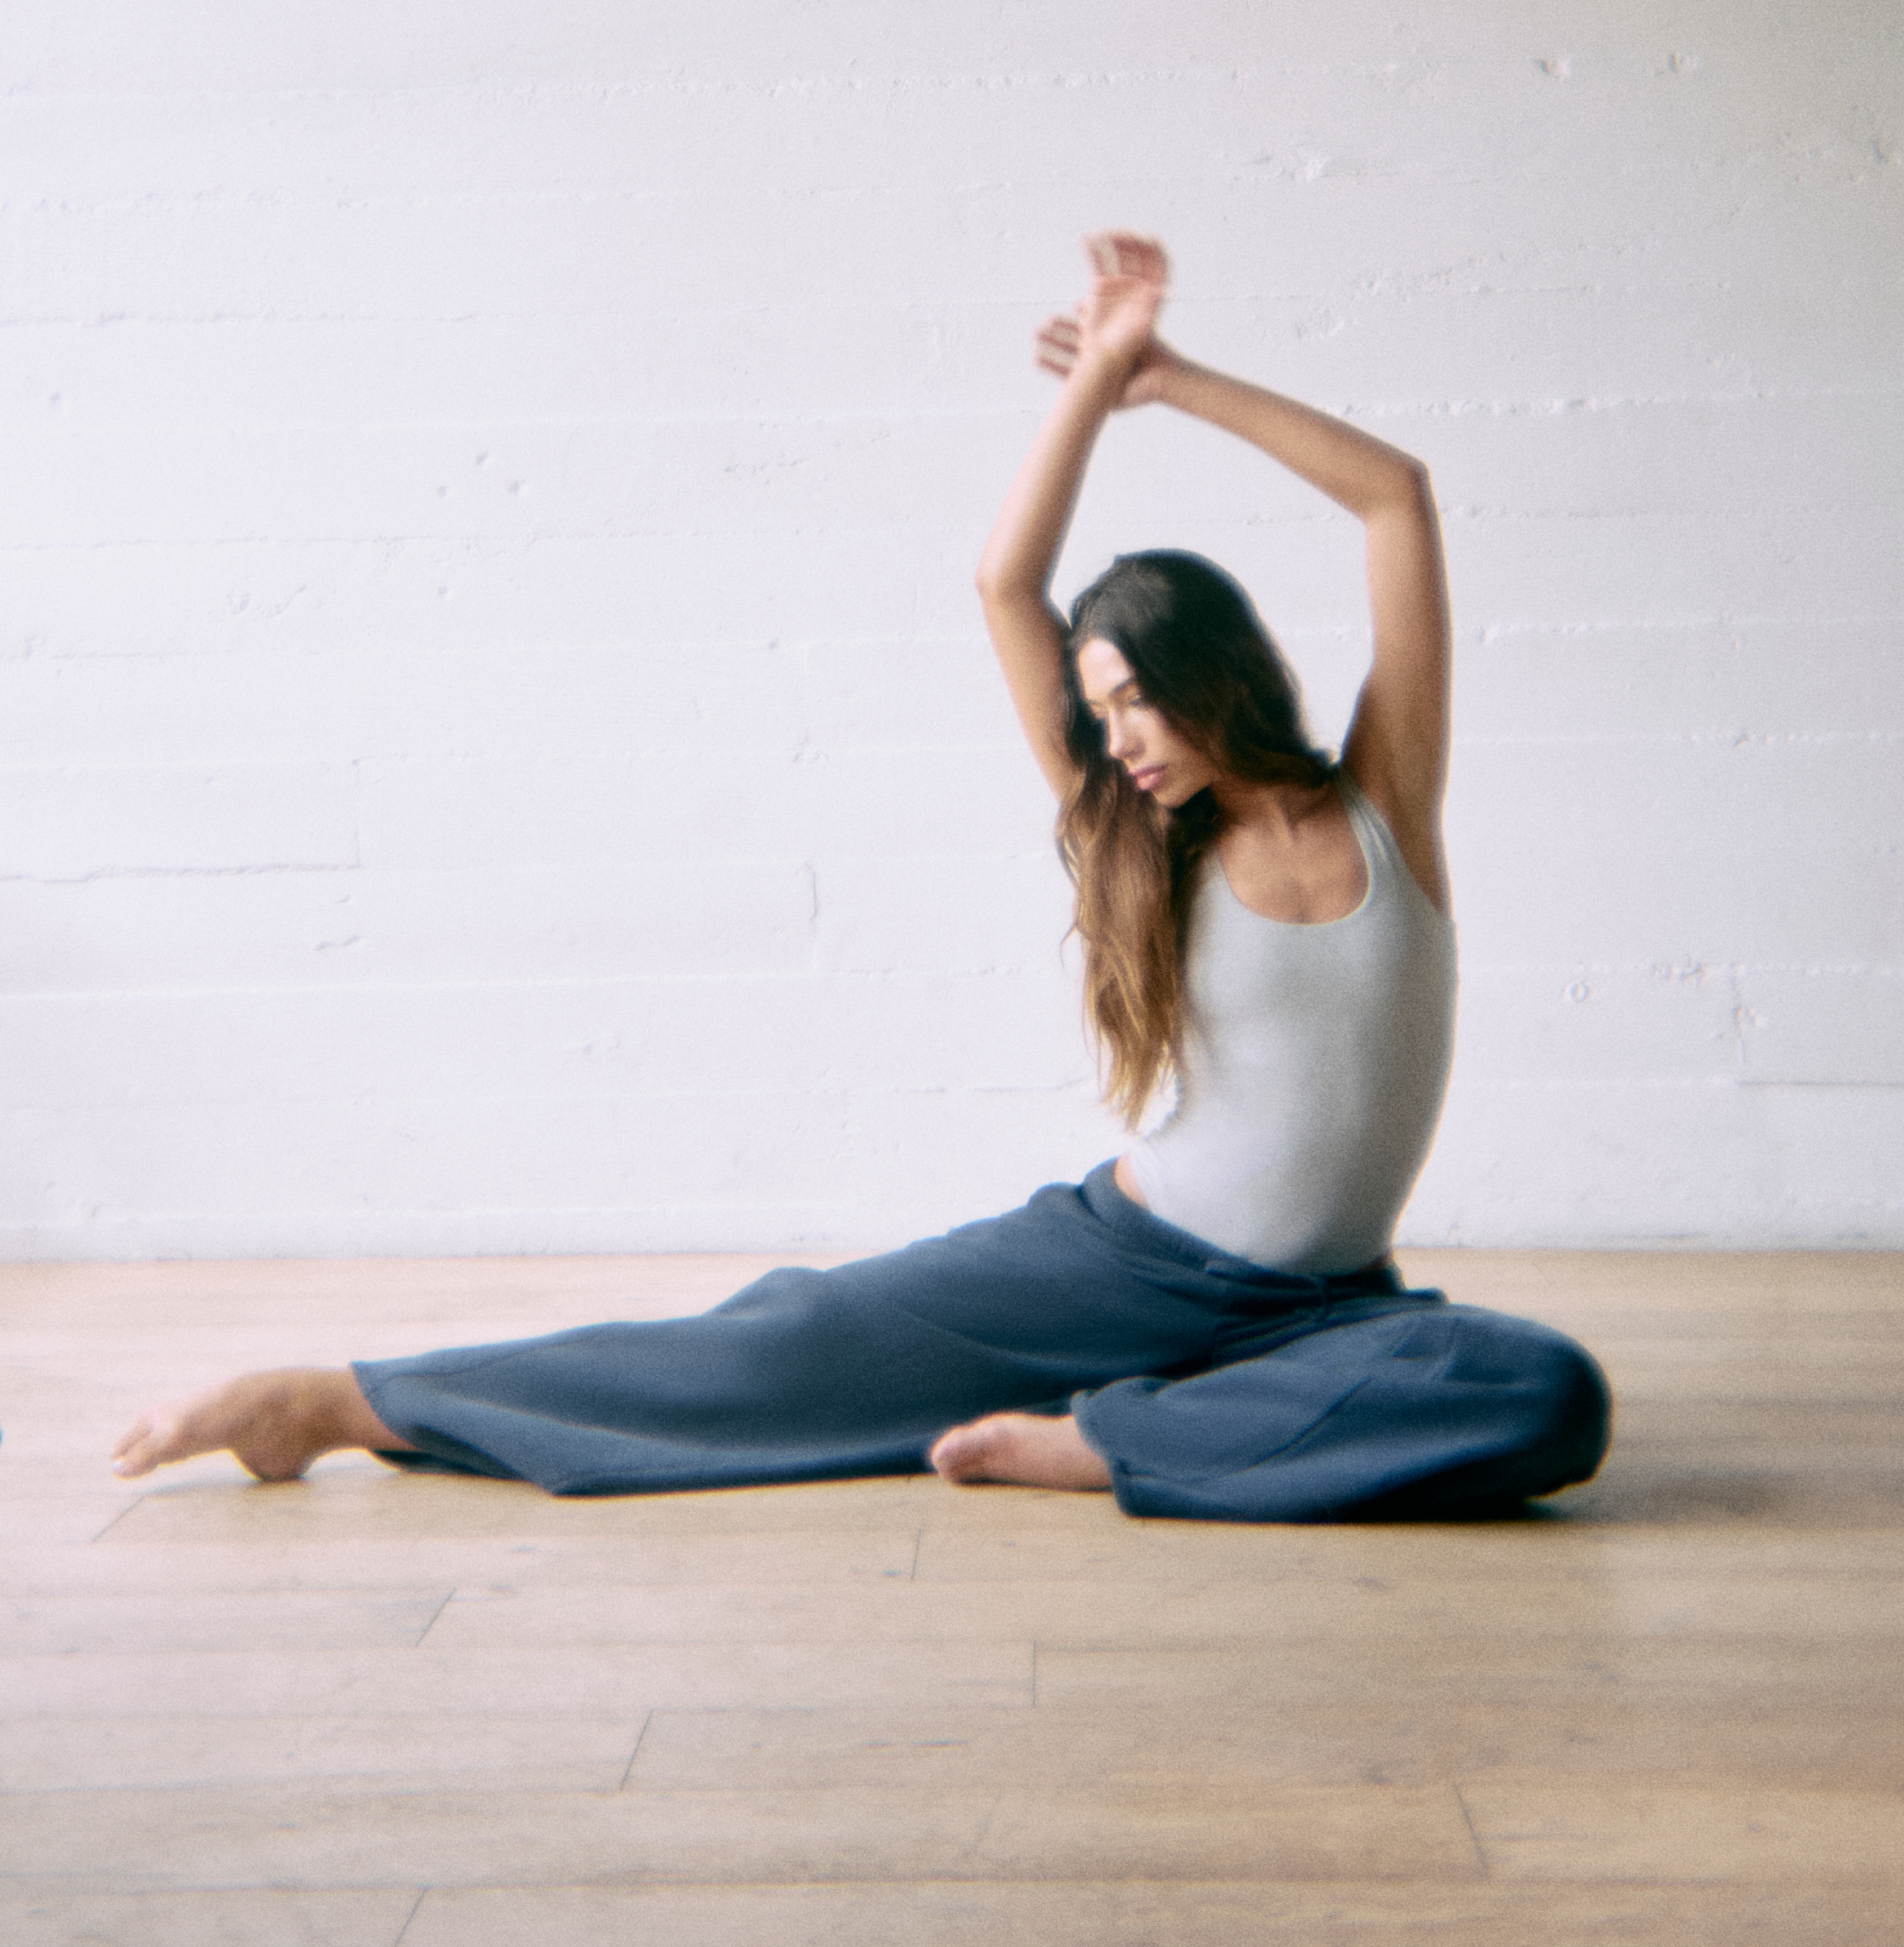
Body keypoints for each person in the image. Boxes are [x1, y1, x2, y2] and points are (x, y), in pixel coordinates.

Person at [112, 233, 1609, 1521]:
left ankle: (1108, 1438)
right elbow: (1003, 586)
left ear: (1213, 673)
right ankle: (348, 1401)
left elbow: (1397, 499)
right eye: (1096, 711)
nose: (1119, 738)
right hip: (1127, 1268)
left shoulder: (1387, 808)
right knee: (795, 1337)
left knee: (1546, 1395)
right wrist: (1090, 389)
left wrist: (1171, 382)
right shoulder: (1133, 833)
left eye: (1138, 700)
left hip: (1333, 1313)